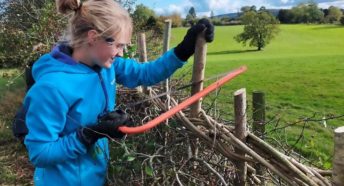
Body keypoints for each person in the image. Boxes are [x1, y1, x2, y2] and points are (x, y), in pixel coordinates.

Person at [22, 0, 214, 185]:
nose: (121, 53)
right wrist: (89, 134)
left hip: (94, 176)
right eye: (118, 45)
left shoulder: (106, 66)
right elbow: (40, 153)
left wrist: (184, 49)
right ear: (93, 37)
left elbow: (145, 73)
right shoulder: (52, 87)